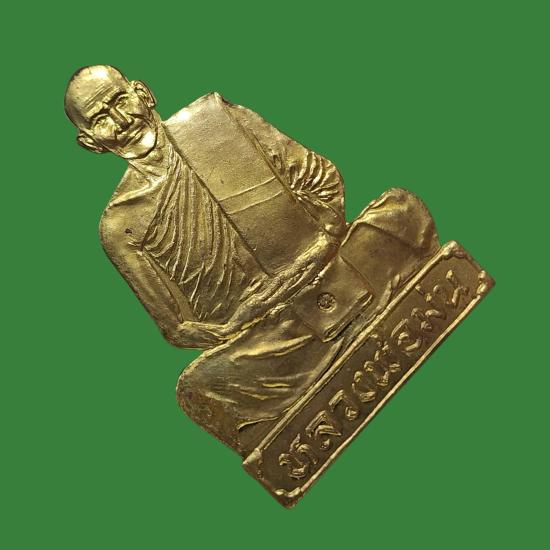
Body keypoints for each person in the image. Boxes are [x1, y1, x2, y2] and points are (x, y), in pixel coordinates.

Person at [65, 65, 439, 455]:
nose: (122, 122)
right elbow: (178, 328)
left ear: (143, 94)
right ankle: (364, 329)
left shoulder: (216, 120)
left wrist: (325, 240)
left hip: (332, 266)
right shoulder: (120, 224)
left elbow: (320, 178)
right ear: (91, 142)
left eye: (120, 101)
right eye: (101, 119)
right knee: (200, 387)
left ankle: (330, 360)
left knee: (400, 210)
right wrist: (243, 317)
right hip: (272, 333)